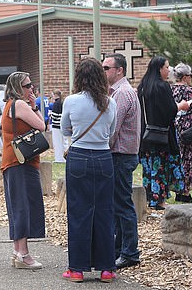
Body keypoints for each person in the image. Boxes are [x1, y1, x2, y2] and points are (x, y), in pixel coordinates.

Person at [61, 58, 117, 283]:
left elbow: (65, 128)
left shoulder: (71, 101)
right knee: (104, 212)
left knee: (78, 212)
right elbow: (111, 132)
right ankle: (106, 269)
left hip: (79, 156)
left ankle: (77, 269)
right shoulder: (110, 102)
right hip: (103, 157)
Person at [0, 71, 45, 269]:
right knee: (23, 206)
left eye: (31, 85)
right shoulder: (19, 104)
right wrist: (34, 107)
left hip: (13, 161)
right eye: (27, 86)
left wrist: (33, 105)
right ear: (18, 87)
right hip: (22, 163)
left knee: (17, 206)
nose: (31, 89)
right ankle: (24, 255)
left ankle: (18, 251)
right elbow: (42, 125)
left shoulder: (10, 105)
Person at [103, 53, 141, 269]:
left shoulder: (122, 94)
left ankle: (129, 252)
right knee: (118, 205)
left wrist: (100, 149)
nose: (104, 71)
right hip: (121, 155)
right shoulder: (119, 92)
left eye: (107, 68)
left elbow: (112, 131)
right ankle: (119, 249)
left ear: (120, 70)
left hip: (120, 155)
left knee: (123, 205)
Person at [138, 56, 189, 210]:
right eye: (167, 67)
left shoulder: (143, 86)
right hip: (162, 135)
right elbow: (170, 110)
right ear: (159, 68)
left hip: (146, 135)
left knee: (149, 167)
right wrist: (181, 105)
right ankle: (159, 200)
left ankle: (149, 197)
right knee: (160, 167)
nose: (169, 70)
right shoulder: (162, 86)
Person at [171, 63, 192, 203]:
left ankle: (178, 189)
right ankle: (185, 193)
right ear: (185, 77)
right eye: (190, 76)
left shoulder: (170, 89)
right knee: (189, 160)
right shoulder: (189, 91)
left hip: (174, 128)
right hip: (189, 130)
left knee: (178, 158)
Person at [49, 90, 67, 163]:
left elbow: (54, 116)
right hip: (63, 125)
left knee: (57, 143)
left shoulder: (56, 104)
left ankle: (59, 159)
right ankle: (65, 157)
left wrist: (50, 115)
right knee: (64, 142)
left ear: (55, 95)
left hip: (56, 126)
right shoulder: (63, 102)